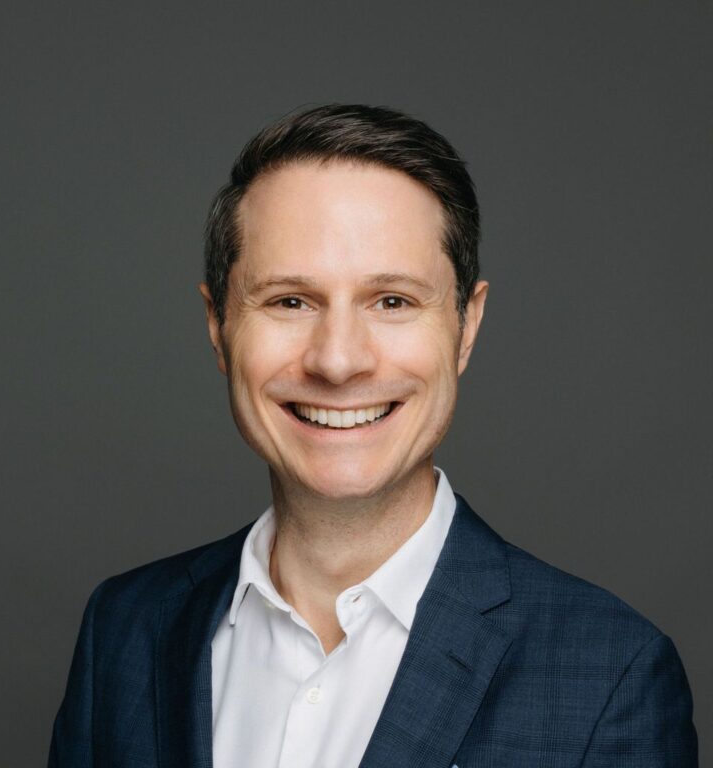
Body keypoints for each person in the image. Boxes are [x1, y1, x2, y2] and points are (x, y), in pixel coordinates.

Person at [48, 104, 698, 767]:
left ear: (466, 327)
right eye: (290, 301)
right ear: (219, 328)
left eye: (392, 301)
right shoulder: (124, 631)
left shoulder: (610, 677)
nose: (338, 361)